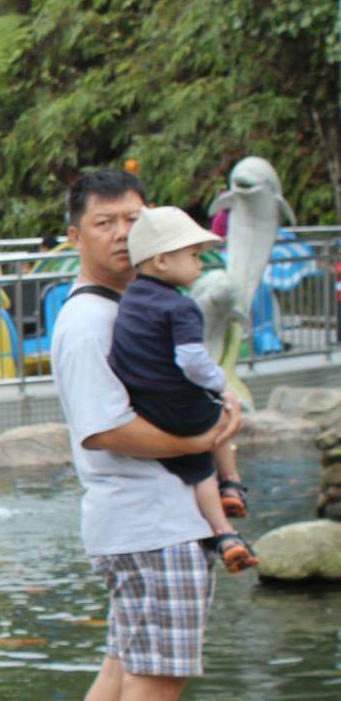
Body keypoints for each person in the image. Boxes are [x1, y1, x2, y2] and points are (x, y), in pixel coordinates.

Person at [51, 168, 252, 701]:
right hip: (150, 521)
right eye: (104, 222)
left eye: (133, 219)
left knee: (122, 668)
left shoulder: (131, 304)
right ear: (74, 236)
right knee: (154, 683)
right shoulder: (90, 321)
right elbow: (104, 428)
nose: (122, 233)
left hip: (139, 522)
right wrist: (205, 438)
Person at [107, 208, 256, 570]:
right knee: (221, 416)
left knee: (196, 466)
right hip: (179, 406)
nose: (200, 265)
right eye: (193, 256)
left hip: (144, 405)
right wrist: (220, 382)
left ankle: (225, 532)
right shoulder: (181, 306)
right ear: (161, 260)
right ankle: (231, 492)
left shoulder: (130, 299)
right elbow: (191, 360)